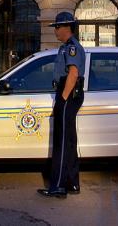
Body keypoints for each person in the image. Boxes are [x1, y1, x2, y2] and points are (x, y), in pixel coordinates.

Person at [37, 11, 86, 198]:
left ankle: (58, 186)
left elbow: (73, 74)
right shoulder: (66, 46)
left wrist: (63, 99)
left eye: (57, 27)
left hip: (68, 93)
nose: (55, 30)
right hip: (69, 92)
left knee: (62, 141)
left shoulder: (72, 47)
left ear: (67, 27)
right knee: (69, 140)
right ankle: (72, 183)